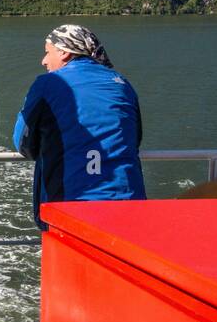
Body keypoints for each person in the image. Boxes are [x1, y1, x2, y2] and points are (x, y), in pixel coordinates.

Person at [13, 24, 145, 229]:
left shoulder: (47, 84)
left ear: (64, 51)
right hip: (128, 203)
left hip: (70, 209)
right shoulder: (123, 84)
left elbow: (23, 143)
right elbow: (134, 139)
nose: (44, 61)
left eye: (47, 52)